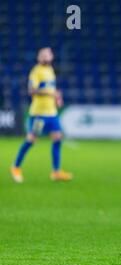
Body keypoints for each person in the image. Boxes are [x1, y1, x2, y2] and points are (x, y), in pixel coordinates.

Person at [11, 47, 73, 183]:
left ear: (52, 57)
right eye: (43, 55)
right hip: (38, 114)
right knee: (31, 140)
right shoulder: (36, 71)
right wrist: (50, 93)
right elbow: (32, 91)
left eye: (48, 54)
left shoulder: (50, 71)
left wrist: (57, 98)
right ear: (39, 57)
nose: (45, 57)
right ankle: (16, 167)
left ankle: (56, 172)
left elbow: (52, 89)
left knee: (57, 138)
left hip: (52, 113)